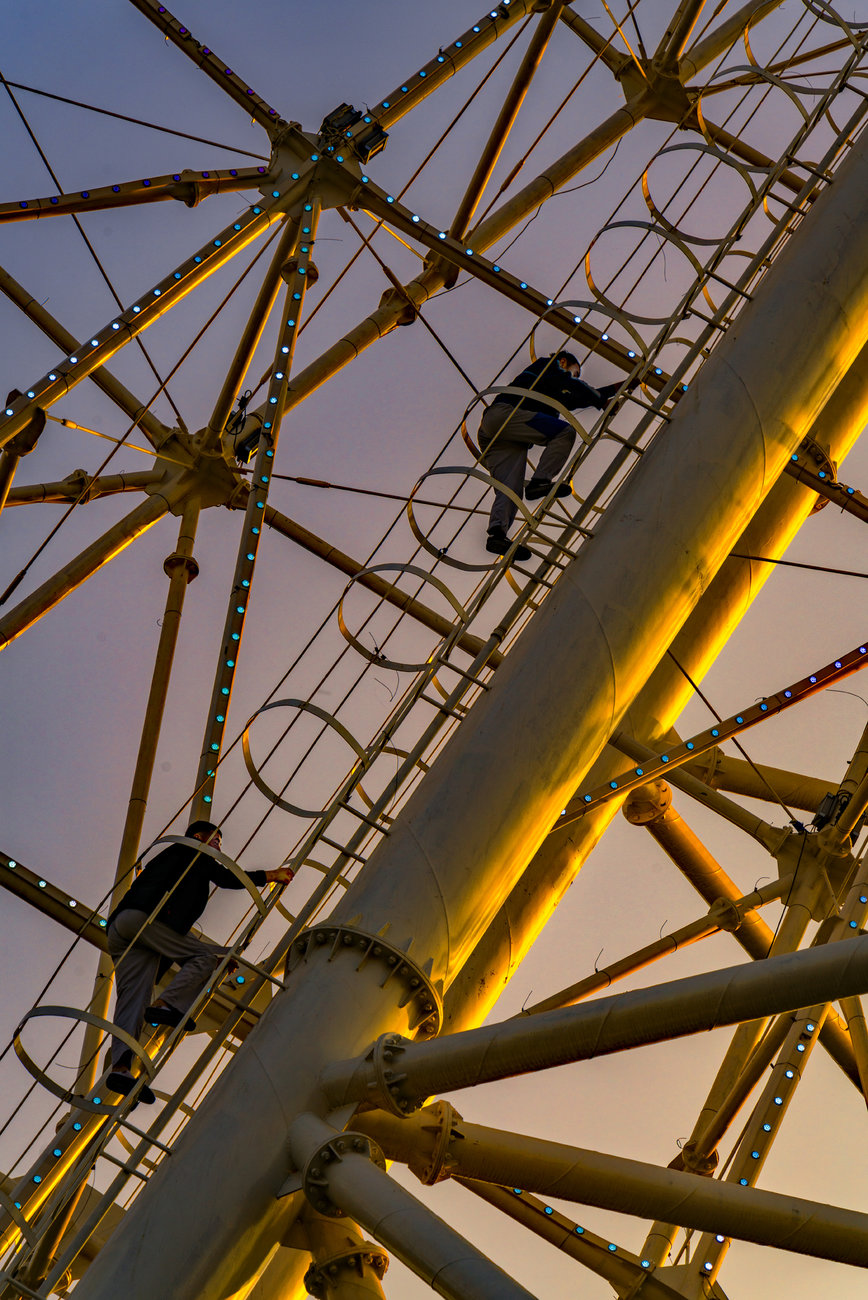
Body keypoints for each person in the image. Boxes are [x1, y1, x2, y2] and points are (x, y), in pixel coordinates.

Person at [105, 820, 294, 1103]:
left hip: (123, 927)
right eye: (216, 840)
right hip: (148, 919)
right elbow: (228, 878)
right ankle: (166, 1005)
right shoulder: (192, 851)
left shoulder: (172, 859)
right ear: (198, 837)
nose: (218, 846)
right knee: (208, 956)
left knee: (133, 997)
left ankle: (120, 1068)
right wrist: (271, 875)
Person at [478, 351, 627, 558]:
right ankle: (540, 481)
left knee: (510, 488)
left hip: (497, 431)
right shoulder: (550, 365)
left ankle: (497, 535)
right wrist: (601, 401)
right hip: (507, 415)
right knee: (564, 432)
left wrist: (618, 388)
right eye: (574, 373)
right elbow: (570, 384)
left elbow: (574, 398)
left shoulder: (550, 386)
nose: (573, 379)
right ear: (563, 362)